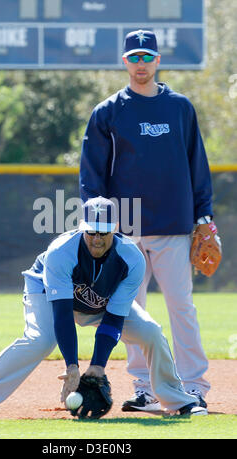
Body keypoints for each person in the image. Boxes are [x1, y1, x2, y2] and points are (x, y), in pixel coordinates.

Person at [0, 196, 206, 420]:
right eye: (91, 231)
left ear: (115, 230)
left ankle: (178, 400)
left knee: (150, 331)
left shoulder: (131, 259)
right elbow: (62, 316)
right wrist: (72, 365)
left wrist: (97, 366)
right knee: (40, 341)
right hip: (45, 292)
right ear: (82, 227)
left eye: (102, 232)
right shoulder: (61, 252)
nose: (96, 238)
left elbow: (114, 319)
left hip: (101, 302)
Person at [79, 30, 214, 413]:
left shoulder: (180, 107)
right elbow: (92, 174)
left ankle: (193, 386)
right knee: (129, 311)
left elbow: (197, 166)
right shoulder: (108, 112)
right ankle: (145, 389)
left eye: (147, 56)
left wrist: (204, 217)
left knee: (181, 308)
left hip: (173, 224)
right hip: (125, 231)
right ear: (124, 61)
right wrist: (98, 223)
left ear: (157, 61)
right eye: (134, 56)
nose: (141, 63)